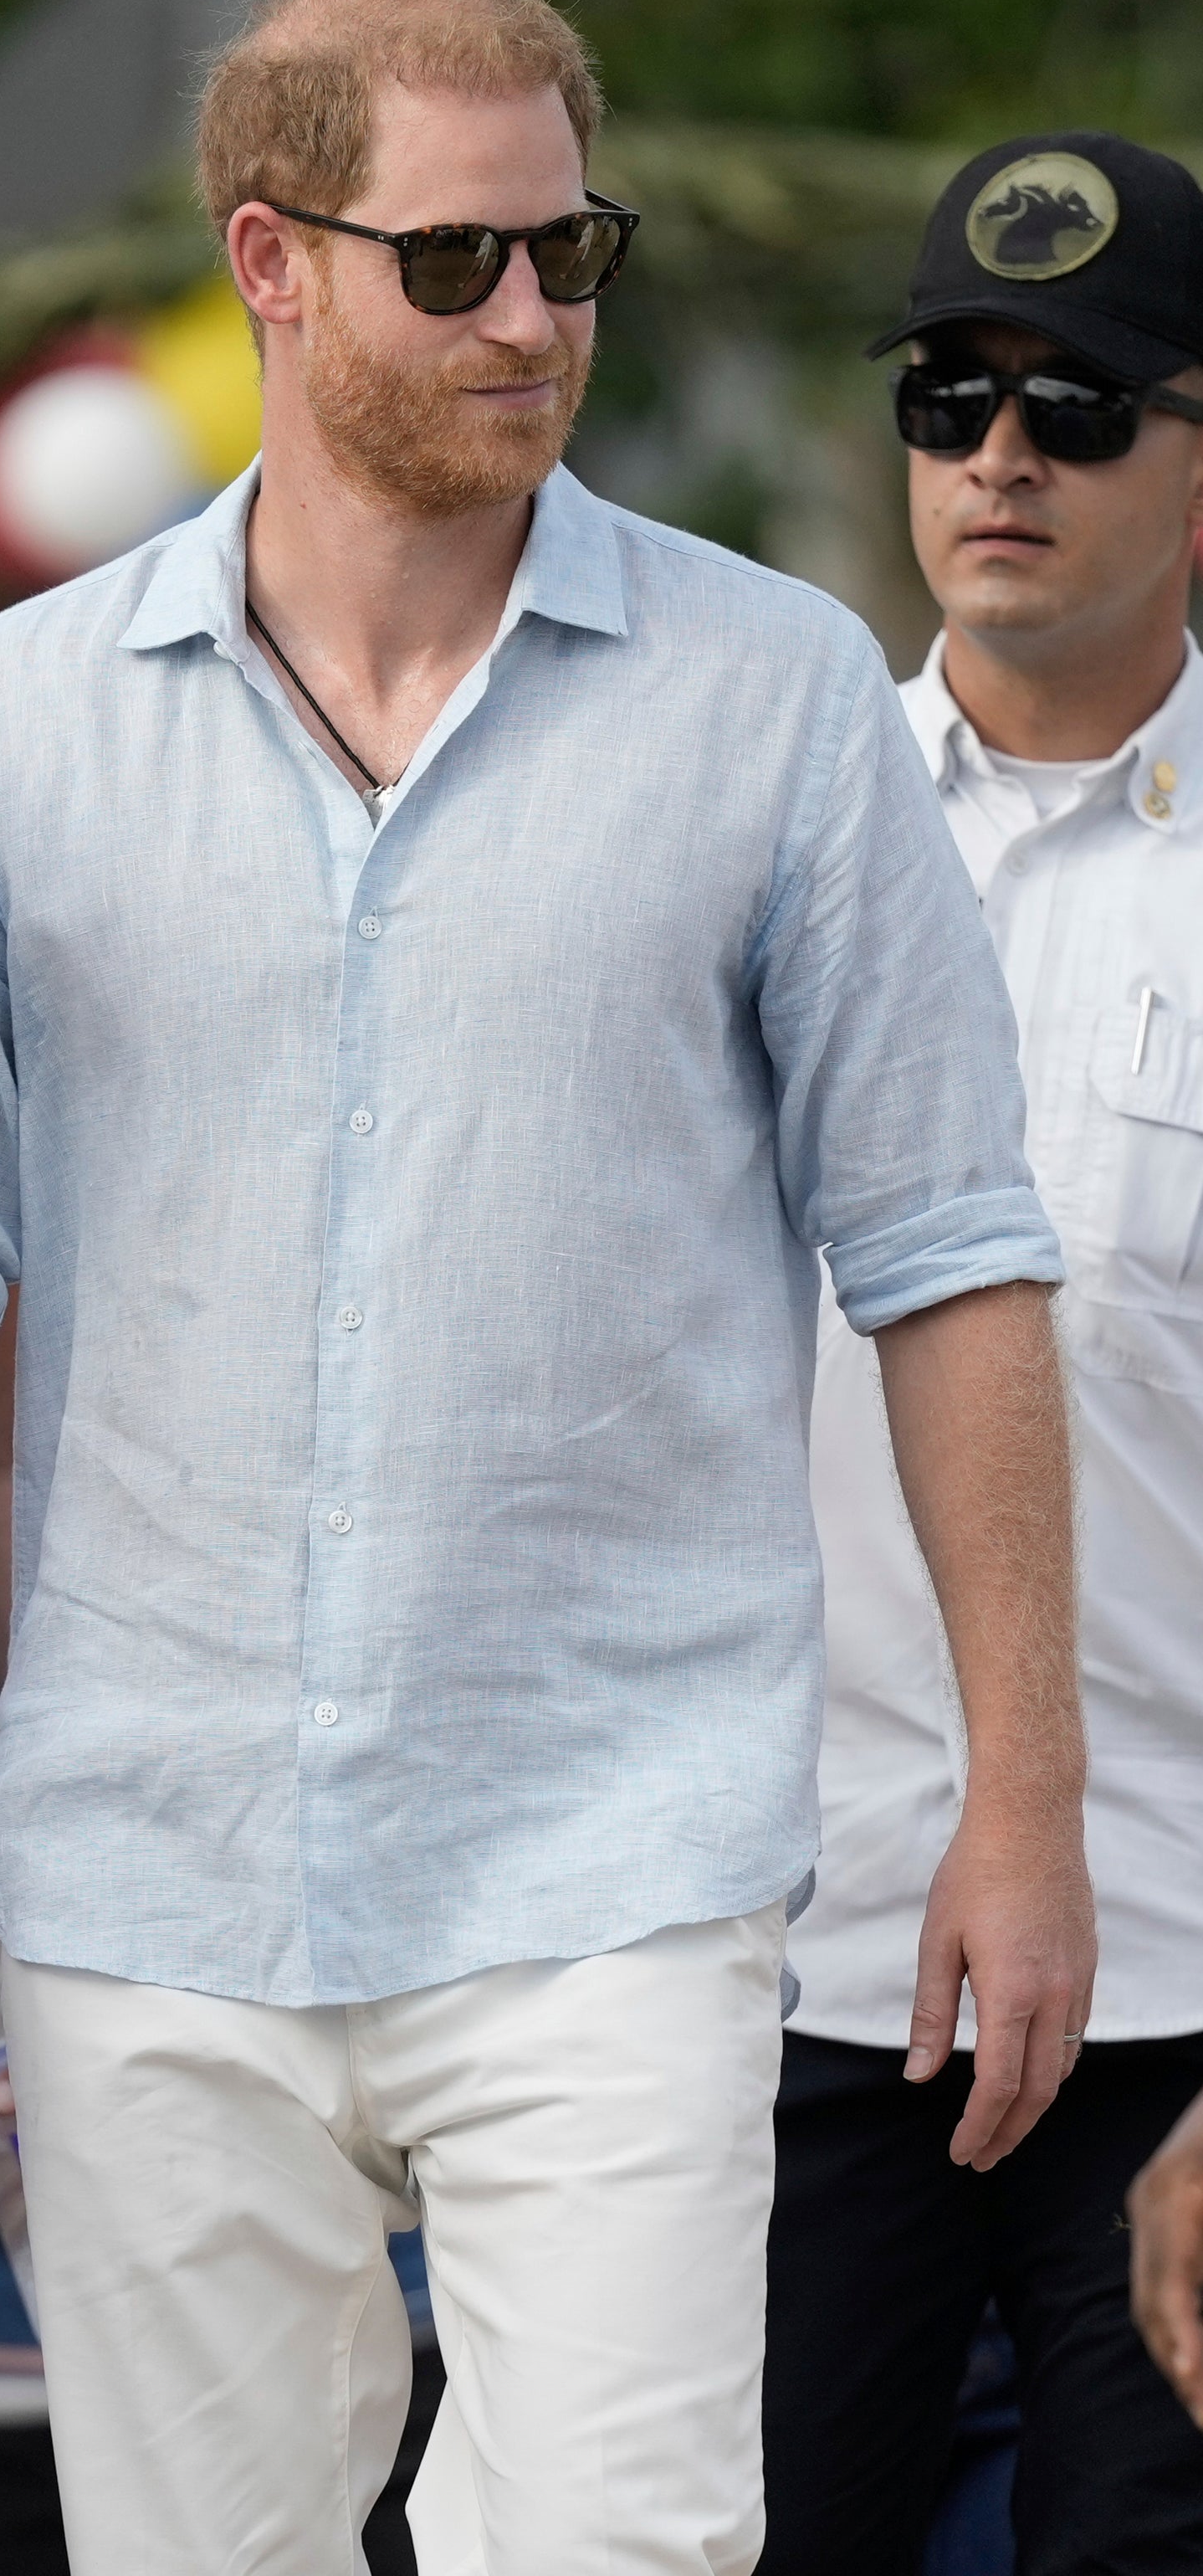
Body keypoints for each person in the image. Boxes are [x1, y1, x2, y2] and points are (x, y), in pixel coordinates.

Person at [0, 0, 1090, 2573]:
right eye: (455, 260)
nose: (532, 315)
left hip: (615, 1861)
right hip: (143, 1865)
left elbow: (952, 1265)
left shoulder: (771, 701)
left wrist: (1024, 1799)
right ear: (266, 264)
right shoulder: (19, 722)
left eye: (571, 249)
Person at [769, 132, 1203, 2570]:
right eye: (949, 397)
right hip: (789, 1950)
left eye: (1082, 399)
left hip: (1179, 1980)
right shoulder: (769, 823)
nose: (1002, 456)